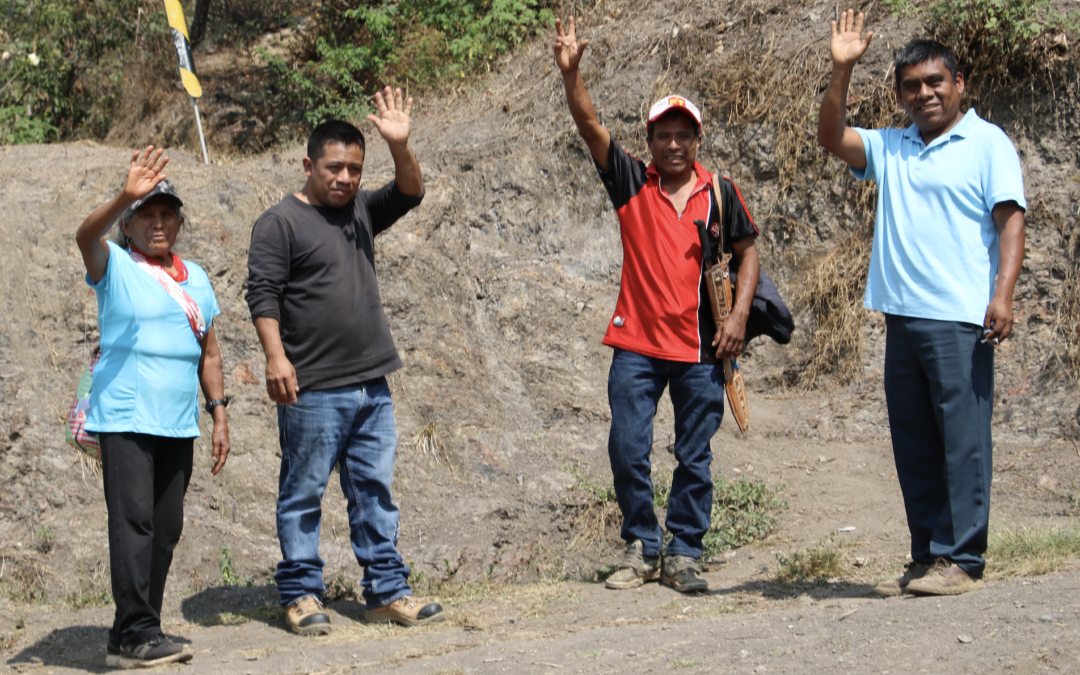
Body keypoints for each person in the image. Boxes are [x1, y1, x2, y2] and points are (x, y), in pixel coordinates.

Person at [817, 11, 1026, 596]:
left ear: (959, 85)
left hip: (960, 315)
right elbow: (831, 137)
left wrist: (1002, 295)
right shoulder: (893, 145)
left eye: (936, 82)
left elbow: (1011, 223)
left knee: (962, 438)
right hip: (901, 316)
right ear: (900, 94)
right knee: (914, 440)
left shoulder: (987, 143)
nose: (925, 93)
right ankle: (928, 553)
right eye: (912, 86)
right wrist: (842, 68)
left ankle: (963, 559)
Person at [554, 17, 761, 593]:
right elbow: (589, 123)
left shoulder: (719, 191)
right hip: (637, 346)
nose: (673, 144)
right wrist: (572, 76)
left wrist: (739, 317)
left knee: (694, 455)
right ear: (649, 142)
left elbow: (749, 254)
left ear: (698, 139)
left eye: (683, 135)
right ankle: (642, 547)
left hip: (701, 347)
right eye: (662, 135)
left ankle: (686, 552)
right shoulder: (629, 182)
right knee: (627, 447)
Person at [245, 87, 444, 634]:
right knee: (303, 492)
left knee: (374, 491)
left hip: (371, 384)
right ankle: (302, 595)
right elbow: (261, 294)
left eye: (354, 169)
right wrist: (275, 358)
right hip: (311, 387)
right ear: (308, 164)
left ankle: (385, 591)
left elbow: (410, 192)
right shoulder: (279, 223)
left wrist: (400, 145)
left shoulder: (358, 209)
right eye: (334, 168)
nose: (345, 179)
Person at [75, 146, 230, 667]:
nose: (158, 224)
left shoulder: (200, 279)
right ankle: (140, 632)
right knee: (133, 521)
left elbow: (209, 351)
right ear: (131, 224)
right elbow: (83, 237)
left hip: (177, 421)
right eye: (147, 215)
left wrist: (219, 412)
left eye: (167, 215)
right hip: (124, 416)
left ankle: (134, 630)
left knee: (165, 527)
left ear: (179, 224)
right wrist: (125, 193)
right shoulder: (115, 264)